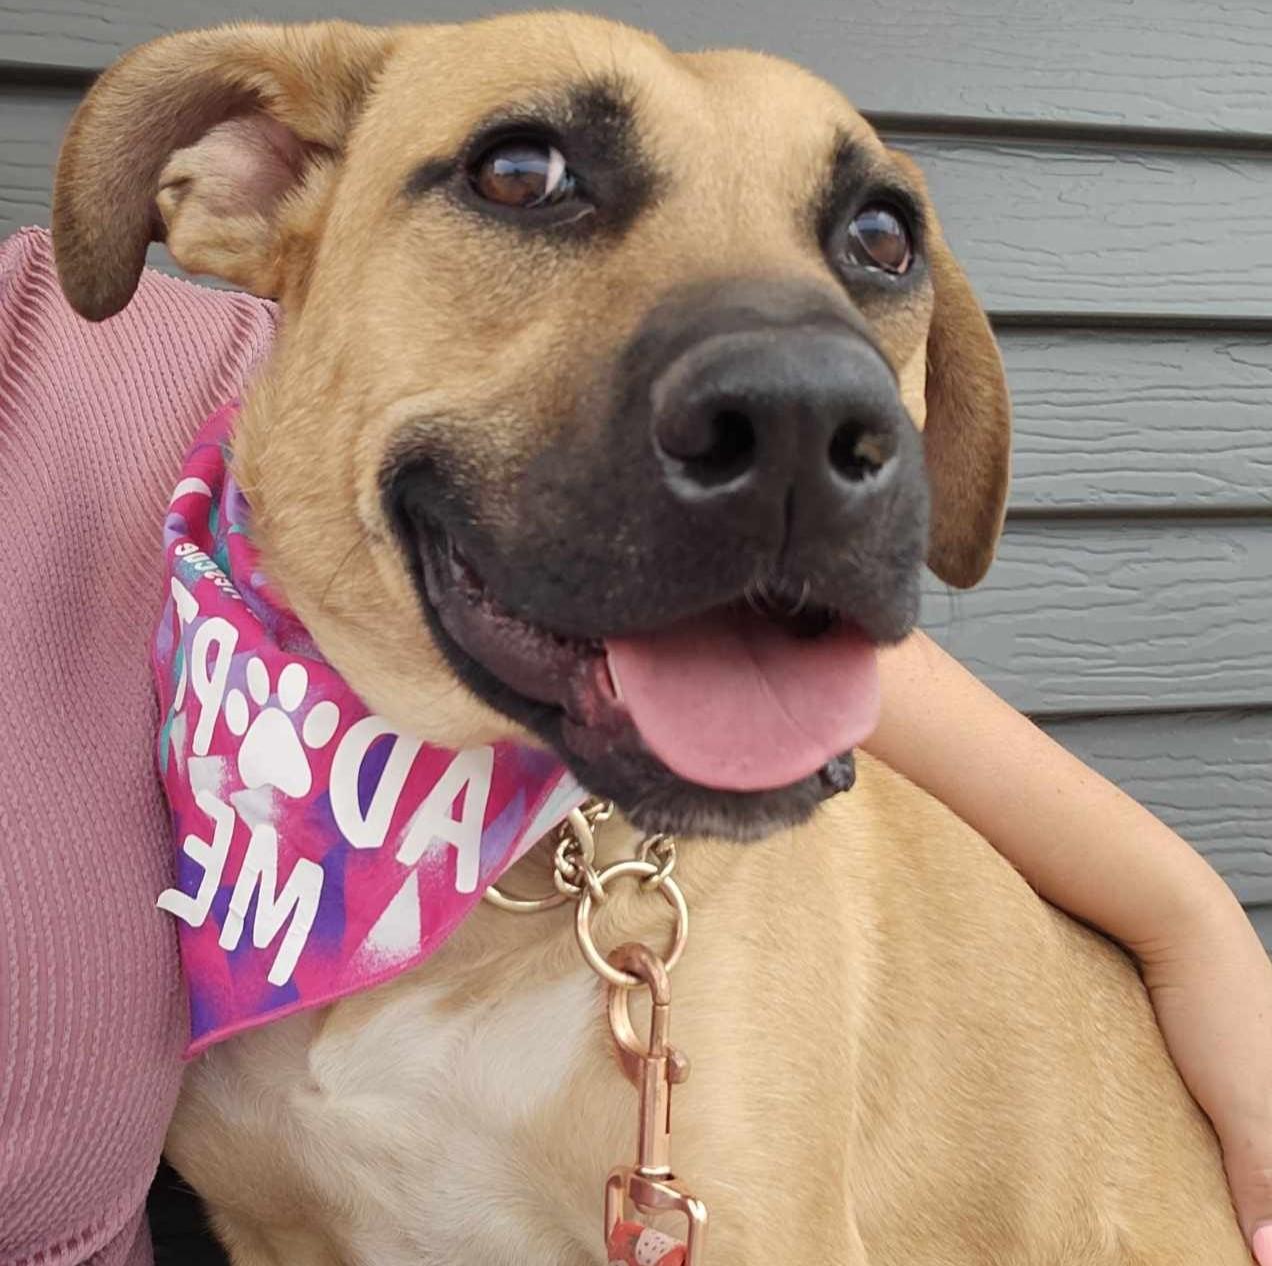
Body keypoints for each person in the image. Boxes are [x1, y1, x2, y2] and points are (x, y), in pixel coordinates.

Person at [2, 224, 1270, 1264]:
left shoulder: (122, 362)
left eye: (872, 247)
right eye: (523, 185)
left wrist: (1188, 918)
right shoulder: (202, 751)